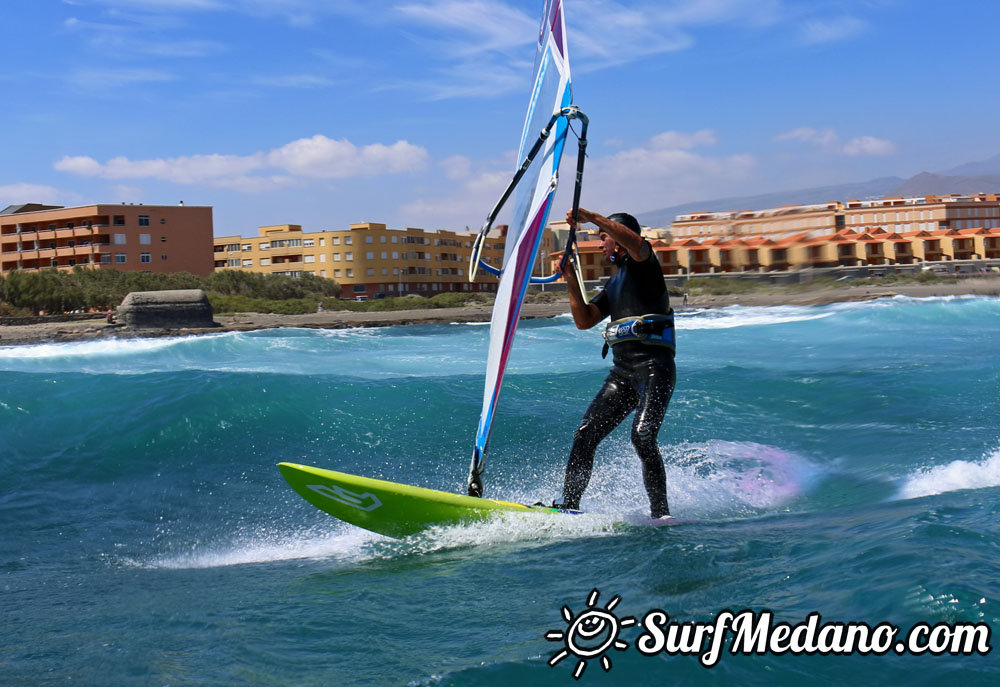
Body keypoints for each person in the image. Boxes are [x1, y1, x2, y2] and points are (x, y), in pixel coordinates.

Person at [557, 208, 676, 519]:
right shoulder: (613, 283)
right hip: (622, 374)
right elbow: (585, 320)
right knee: (585, 434)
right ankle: (568, 507)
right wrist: (571, 280)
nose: (600, 244)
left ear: (621, 239)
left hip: (654, 368)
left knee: (643, 436)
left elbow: (636, 243)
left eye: (604, 238)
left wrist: (591, 216)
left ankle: (661, 516)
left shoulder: (645, 263)